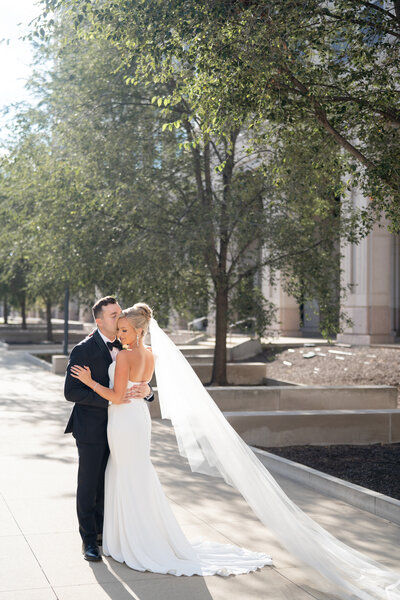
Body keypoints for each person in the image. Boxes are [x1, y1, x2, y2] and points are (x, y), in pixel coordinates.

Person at [71, 303, 400, 598]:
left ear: (139, 329)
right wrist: (142, 391)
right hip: (134, 422)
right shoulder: (148, 355)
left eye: (125, 327)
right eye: (118, 325)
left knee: (129, 474)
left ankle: (133, 540)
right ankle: (128, 536)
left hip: (124, 421)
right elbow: (139, 388)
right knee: (134, 474)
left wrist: (92, 381)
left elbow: (117, 396)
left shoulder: (127, 354)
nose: (120, 331)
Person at [64, 296, 154, 562]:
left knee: (112, 481)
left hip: (123, 426)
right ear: (99, 320)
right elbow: (71, 392)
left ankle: (107, 533)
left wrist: (148, 391)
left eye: (119, 313)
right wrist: (108, 397)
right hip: (92, 427)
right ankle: (89, 541)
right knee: (89, 484)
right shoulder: (83, 350)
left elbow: (142, 383)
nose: (119, 317)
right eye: (113, 315)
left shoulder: (128, 345)